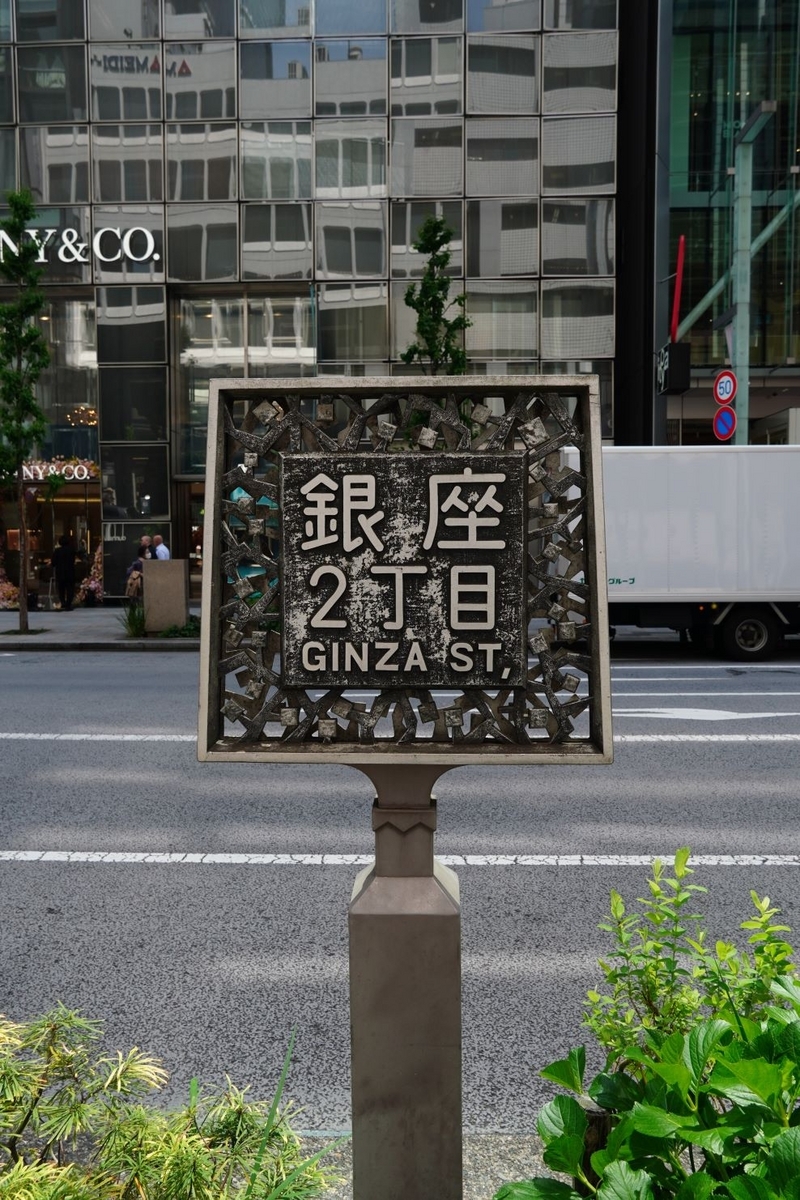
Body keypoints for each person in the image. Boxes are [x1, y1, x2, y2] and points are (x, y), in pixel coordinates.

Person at [51, 535, 76, 611]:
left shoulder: (57, 551)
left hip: (60, 573)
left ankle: (63, 602)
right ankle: (69, 604)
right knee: (70, 589)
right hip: (70, 572)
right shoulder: (71, 550)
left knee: (61, 589)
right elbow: (73, 561)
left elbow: (53, 562)